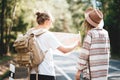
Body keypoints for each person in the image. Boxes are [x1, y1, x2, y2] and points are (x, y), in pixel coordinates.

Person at [29, 12, 80, 80]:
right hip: (46, 73)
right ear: (47, 21)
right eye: (51, 21)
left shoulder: (30, 33)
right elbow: (64, 50)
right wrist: (76, 44)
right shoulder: (47, 34)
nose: (51, 24)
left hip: (32, 74)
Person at [75, 7, 110, 80]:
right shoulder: (105, 33)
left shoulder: (90, 34)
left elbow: (84, 55)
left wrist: (78, 71)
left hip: (90, 75)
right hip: (103, 74)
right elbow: (107, 52)